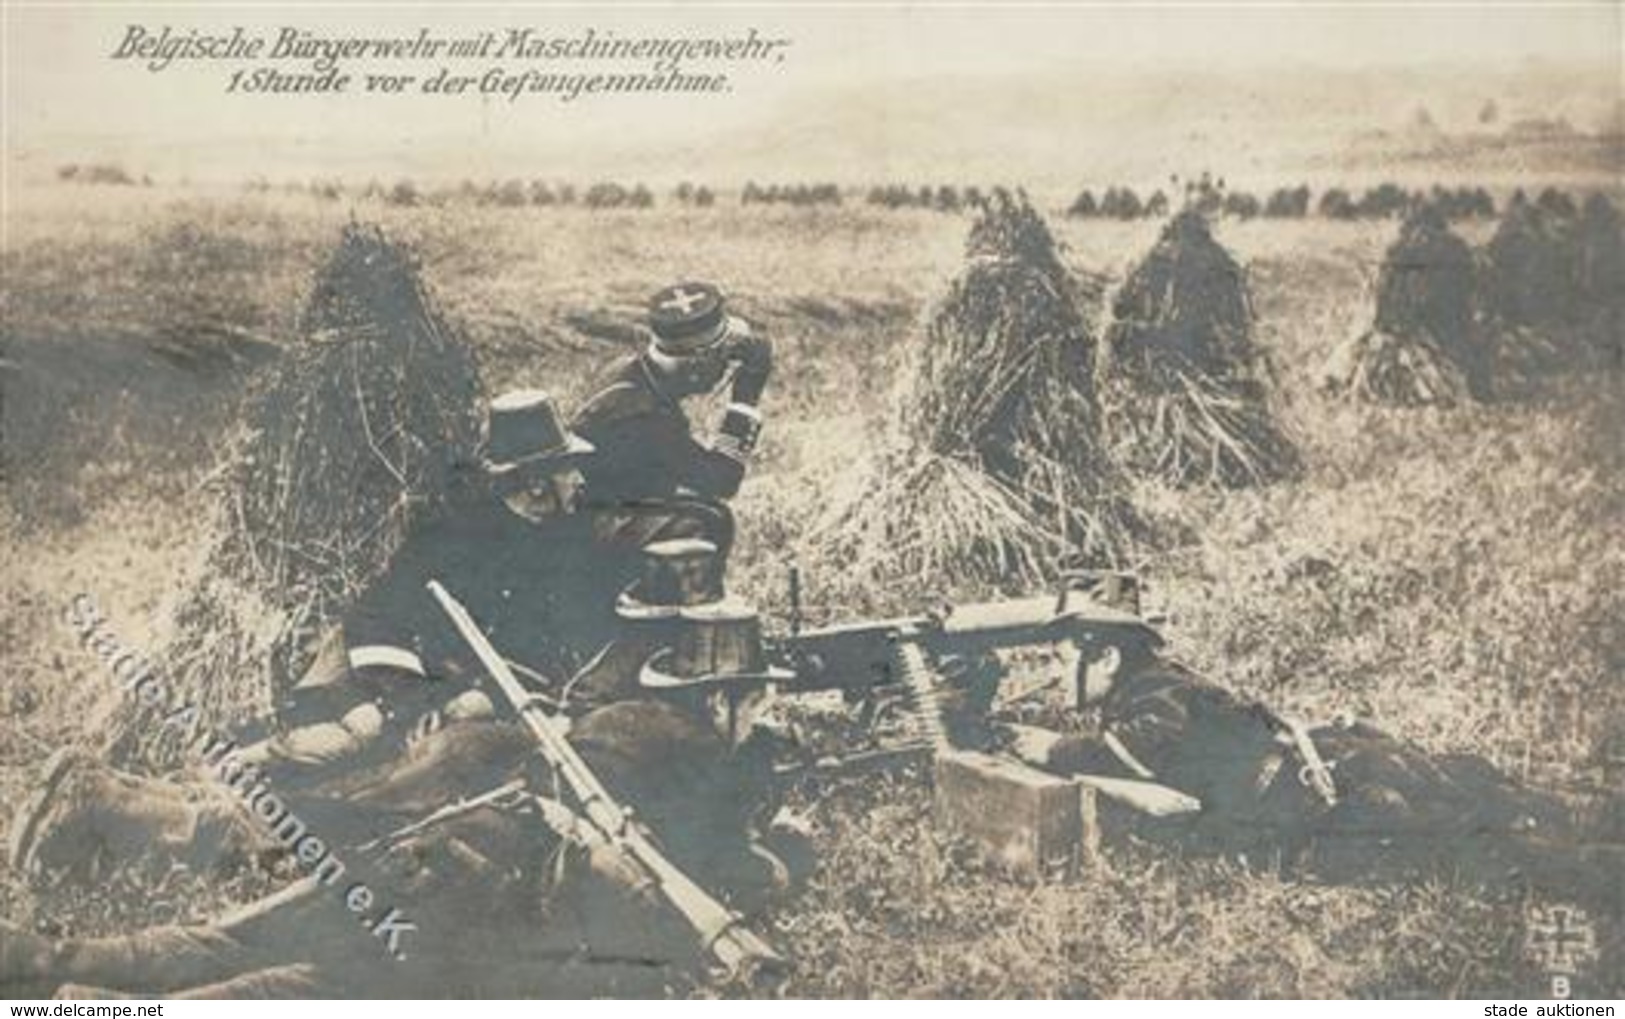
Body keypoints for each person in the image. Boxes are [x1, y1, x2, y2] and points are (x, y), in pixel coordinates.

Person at [9, 390, 631, 883]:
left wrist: (475, 701)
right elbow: (379, 619)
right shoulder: (453, 534)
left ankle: (131, 806)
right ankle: (143, 800)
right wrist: (403, 706)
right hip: (392, 687)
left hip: (473, 707)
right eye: (567, 471)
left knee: (385, 777)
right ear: (534, 481)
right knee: (329, 748)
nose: (579, 483)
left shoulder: (572, 547)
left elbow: (551, 656)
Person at [1006, 626, 1625, 912]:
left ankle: (1594, 861)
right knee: (1465, 787)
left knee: (1463, 842)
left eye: (1063, 661)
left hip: (1314, 797)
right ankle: (1582, 807)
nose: (1059, 678)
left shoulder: (1148, 697)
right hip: (1324, 761)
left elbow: (1140, 750)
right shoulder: (1156, 681)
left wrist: (1056, 751)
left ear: (1107, 654)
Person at [570, 281, 774, 564]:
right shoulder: (641, 418)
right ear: (697, 363)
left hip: (602, 505)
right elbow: (721, 481)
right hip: (584, 535)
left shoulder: (632, 374)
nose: (728, 366)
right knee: (705, 519)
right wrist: (745, 398)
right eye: (723, 356)